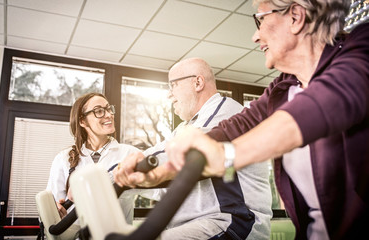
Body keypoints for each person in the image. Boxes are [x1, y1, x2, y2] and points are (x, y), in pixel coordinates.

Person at [165, 1, 369, 239]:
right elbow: (234, 128)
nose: (255, 36)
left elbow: (328, 100)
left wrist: (228, 155)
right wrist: (160, 170)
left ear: (295, 16)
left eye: (259, 20)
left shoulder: (361, 46)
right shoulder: (283, 87)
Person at [114, 57, 273, 239]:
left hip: (232, 222)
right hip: (201, 224)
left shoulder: (225, 111)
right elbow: (164, 170)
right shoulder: (184, 128)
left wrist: (109, 172)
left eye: (173, 85)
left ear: (198, 83)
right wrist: (129, 179)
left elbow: (174, 154)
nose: (169, 94)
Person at [46, 92, 140, 222]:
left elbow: (160, 190)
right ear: (82, 121)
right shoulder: (63, 159)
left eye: (108, 109)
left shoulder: (130, 154)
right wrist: (53, 210)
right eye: (99, 111)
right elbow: (51, 209)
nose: (109, 114)